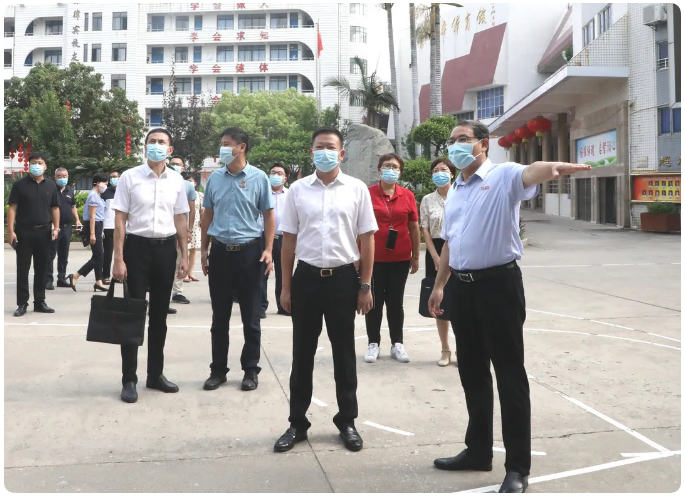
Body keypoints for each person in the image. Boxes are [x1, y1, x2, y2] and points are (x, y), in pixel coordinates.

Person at [428, 120, 589, 493]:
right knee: (472, 373)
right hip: (462, 289)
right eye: (452, 141)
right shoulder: (456, 190)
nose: (456, 146)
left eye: (463, 139)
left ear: (483, 144)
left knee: (509, 375)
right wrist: (439, 286)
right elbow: (450, 241)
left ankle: (517, 467)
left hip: (498, 287)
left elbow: (531, 172)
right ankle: (478, 451)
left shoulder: (501, 176)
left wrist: (553, 168)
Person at [273, 126, 377, 454]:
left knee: (344, 353)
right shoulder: (297, 190)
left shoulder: (357, 189)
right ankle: (297, 423)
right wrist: (286, 287)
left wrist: (365, 285)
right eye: (319, 147)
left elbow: (367, 239)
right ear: (311, 152)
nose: (325, 152)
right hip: (306, 279)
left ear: (342, 153)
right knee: (302, 353)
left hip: (343, 279)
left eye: (331, 147)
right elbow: (288, 241)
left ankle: (347, 421)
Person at [111, 128, 190, 403]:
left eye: (161, 142)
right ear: (145, 147)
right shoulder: (130, 177)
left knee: (159, 317)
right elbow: (120, 220)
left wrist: (185, 255)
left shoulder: (177, 180)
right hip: (136, 249)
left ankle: (155, 375)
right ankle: (129, 379)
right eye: (152, 142)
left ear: (170, 149)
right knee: (133, 315)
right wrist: (118, 258)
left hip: (165, 250)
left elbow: (180, 218)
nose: (156, 146)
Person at [200, 127, 274, 392]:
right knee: (219, 318)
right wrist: (204, 249)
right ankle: (218, 370)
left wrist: (268, 249)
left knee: (251, 317)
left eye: (227, 143)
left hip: (250, 253)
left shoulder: (259, 178)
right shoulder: (215, 179)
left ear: (241, 147)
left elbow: (268, 215)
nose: (222, 148)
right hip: (220, 253)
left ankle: (251, 370)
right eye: (221, 143)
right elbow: (207, 214)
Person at [363, 153, 420, 364]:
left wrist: (415, 255)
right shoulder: (367, 193)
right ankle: (373, 343)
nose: (391, 170)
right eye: (387, 166)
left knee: (396, 303)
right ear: (379, 169)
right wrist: (358, 257)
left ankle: (397, 343)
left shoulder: (408, 195)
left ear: (400, 172)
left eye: (395, 167)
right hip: (373, 259)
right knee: (374, 302)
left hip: (400, 259)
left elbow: (414, 226)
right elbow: (359, 226)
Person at [7, 152, 60, 317]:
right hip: (24, 232)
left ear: (45, 166)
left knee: (42, 268)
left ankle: (40, 302)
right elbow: (12, 208)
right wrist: (10, 231)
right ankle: (22, 303)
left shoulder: (51, 185)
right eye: (34, 162)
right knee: (23, 269)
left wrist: (56, 228)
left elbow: (55, 208)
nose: (37, 165)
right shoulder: (19, 185)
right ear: (29, 165)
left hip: (44, 232)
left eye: (40, 163)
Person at [420, 158, 458, 367]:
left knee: (460, 300)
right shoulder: (427, 200)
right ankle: (445, 349)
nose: (439, 173)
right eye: (435, 170)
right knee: (440, 301)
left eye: (443, 169)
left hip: (459, 249)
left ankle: (462, 348)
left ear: (452, 173)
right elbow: (425, 229)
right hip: (435, 249)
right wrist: (435, 257)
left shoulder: (461, 194)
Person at [68, 173, 109, 292]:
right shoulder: (93, 196)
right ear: (97, 183)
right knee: (99, 256)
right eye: (104, 183)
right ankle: (76, 275)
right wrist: (92, 234)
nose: (105, 186)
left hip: (97, 225)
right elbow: (92, 216)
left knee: (97, 255)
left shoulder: (97, 195)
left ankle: (98, 281)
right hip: (93, 226)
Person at [45, 167, 82, 290]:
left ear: (68, 176)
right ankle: (48, 280)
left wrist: (77, 219)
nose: (62, 178)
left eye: (64, 176)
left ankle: (61, 278)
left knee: (63, 255)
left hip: (67, 227)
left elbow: (73, 206)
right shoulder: (50, 190)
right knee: (50, 254)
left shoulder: (69, 190)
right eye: (59, 176)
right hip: (54, 227)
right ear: (55, 177)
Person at [169, 156, 197, 306]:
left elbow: (191, 210)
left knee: (180, 260)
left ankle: (177, 292)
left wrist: (189, 230)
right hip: (164, 228)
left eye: (178, 164)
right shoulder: (163, 181)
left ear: (183, 168)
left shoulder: (187, 186)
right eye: (172, 163)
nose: (175, 166)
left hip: (180, 228)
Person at [264, 163, 290, 316]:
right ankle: (260, 307)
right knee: (262, 273)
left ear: (285, 178)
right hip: (264, 237)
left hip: (283, 238)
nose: (275, 175)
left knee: (283, 273)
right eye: (273, 172)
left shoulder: (290, 194)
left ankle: (283, 306)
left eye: (279, 173)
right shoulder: (263, 193)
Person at [101, 171, 120, 285]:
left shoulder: (123, 191)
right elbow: (101, 210)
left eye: (115, 177)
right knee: (108, 253)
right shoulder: (105, 193)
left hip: (122, 227)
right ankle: (105, 276)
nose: (114, 179)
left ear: (119, 177)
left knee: (122, 253)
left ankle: (120, 275)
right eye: (112, 177)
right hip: (108, 227)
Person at [185, 173, 203, 283]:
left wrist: (202, 219)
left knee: (193, 249)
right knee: (185, 250)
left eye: (191, 181)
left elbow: (202, 209)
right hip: (184, 224)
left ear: (195, 183)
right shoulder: (182, 193)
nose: (190, 183)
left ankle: (191, 272)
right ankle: (184, 273)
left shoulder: (199, 195)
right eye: (187, 181)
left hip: (196, 225)